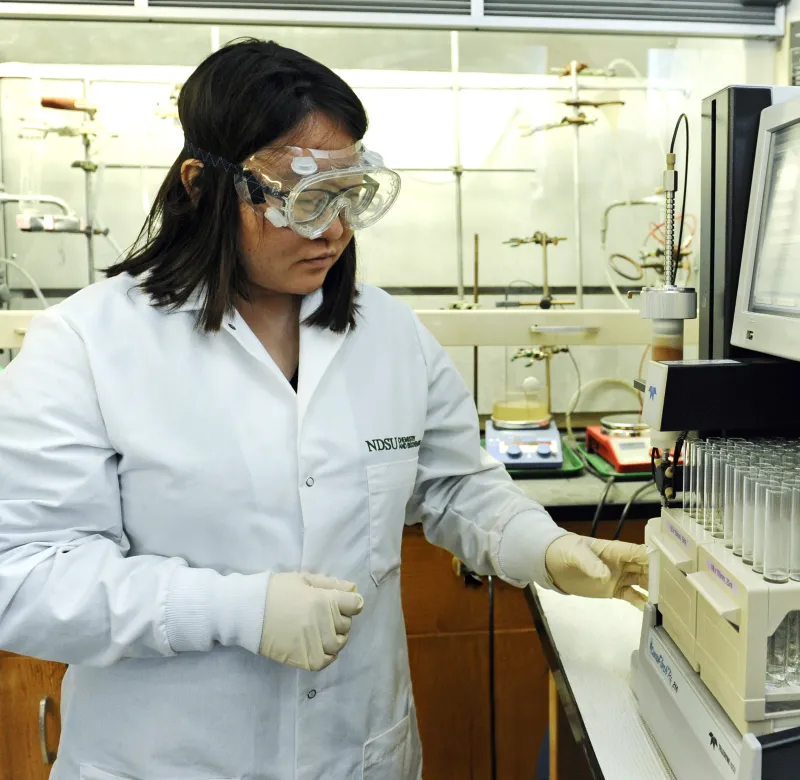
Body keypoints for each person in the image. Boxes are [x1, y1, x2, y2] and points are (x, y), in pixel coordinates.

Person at [0, 39, 648, 780]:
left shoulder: (389, 334)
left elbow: (452, 485)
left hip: (360, 755)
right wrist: (237, 609)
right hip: (171, 761)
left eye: (350, 198)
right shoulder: (87, 344)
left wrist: (547, 548)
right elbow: (24, 574)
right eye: (307, 200)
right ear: (204, 185)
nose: (335, 230)